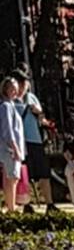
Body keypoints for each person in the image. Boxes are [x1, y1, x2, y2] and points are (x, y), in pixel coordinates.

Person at [0, 78, 23, 213]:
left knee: (11, 177)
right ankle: (11, 206)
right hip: (10, 149)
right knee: (12, 177)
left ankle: (10, 204)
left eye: (16, 88)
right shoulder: (6, 106)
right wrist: (15, 148)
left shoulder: (10, 105)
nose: (15, 91)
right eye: (11, 89)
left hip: (11, 148)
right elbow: (7, 130)